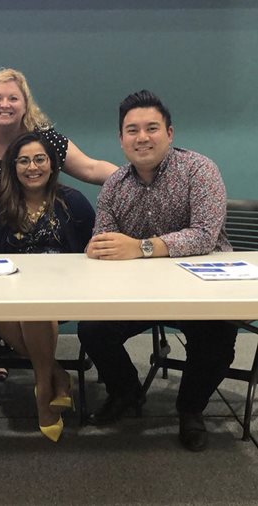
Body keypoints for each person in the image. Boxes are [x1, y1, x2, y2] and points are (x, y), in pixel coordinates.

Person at [78, 90, 238, 452]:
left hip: (201, 289)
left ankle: (190, 409)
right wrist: (98, 246)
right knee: (92, 329)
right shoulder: (114, 185)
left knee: (217, 341)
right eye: (132, 130)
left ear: (170, 132)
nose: (142, 137)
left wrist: (140, 247)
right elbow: (103, 235)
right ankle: (126, 392)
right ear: (121, 139)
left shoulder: (200, 170)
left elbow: (204, 235)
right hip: (138, 291)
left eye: (152, 128)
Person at [0, 68, 117, 381]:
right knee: (2, 308)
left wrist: (130, 177)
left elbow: (92, 167)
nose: (5, 104)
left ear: (26, 104)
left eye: (13, 98)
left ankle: (41, 371)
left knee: (35, 299)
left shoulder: (44, 139)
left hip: (40, 246)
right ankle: (24, 361)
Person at [0, 131, 95, 442]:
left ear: (52, 164)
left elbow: (90, 254)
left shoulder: (73, 202)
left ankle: (44, 391)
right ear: (13, 167)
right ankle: (55, 374)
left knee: (35, 308)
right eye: (24, 160)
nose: (33, 167)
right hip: (10, 289)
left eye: (40, 159)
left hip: (65, 289)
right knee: (4, 314)